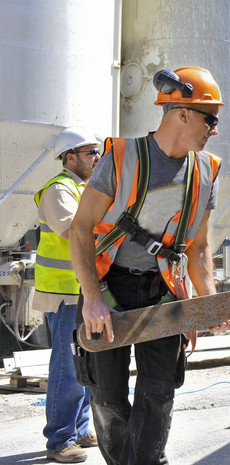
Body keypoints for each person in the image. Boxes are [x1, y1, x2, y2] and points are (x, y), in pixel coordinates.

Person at [69, 66, 230, 465]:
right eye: (210, 119)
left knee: (158, 395)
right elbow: (80, 229)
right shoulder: (121, 157)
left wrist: (205, 302)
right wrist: (92, 298)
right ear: (181, 113)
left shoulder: (206, 171)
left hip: (163, 292)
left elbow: (198, 247)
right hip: (110, 288)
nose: (214, 129)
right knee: (107, 396)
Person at [34, 126, 101, 463]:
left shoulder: (84, 189)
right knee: (67, 367)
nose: (97, 157)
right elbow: (72, 230)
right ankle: (60, 440)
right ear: (70, 157)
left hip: (82, 292)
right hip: (64, 295)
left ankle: (80, 428)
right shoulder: (59, 190)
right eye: (91, 153)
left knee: (86, 362)